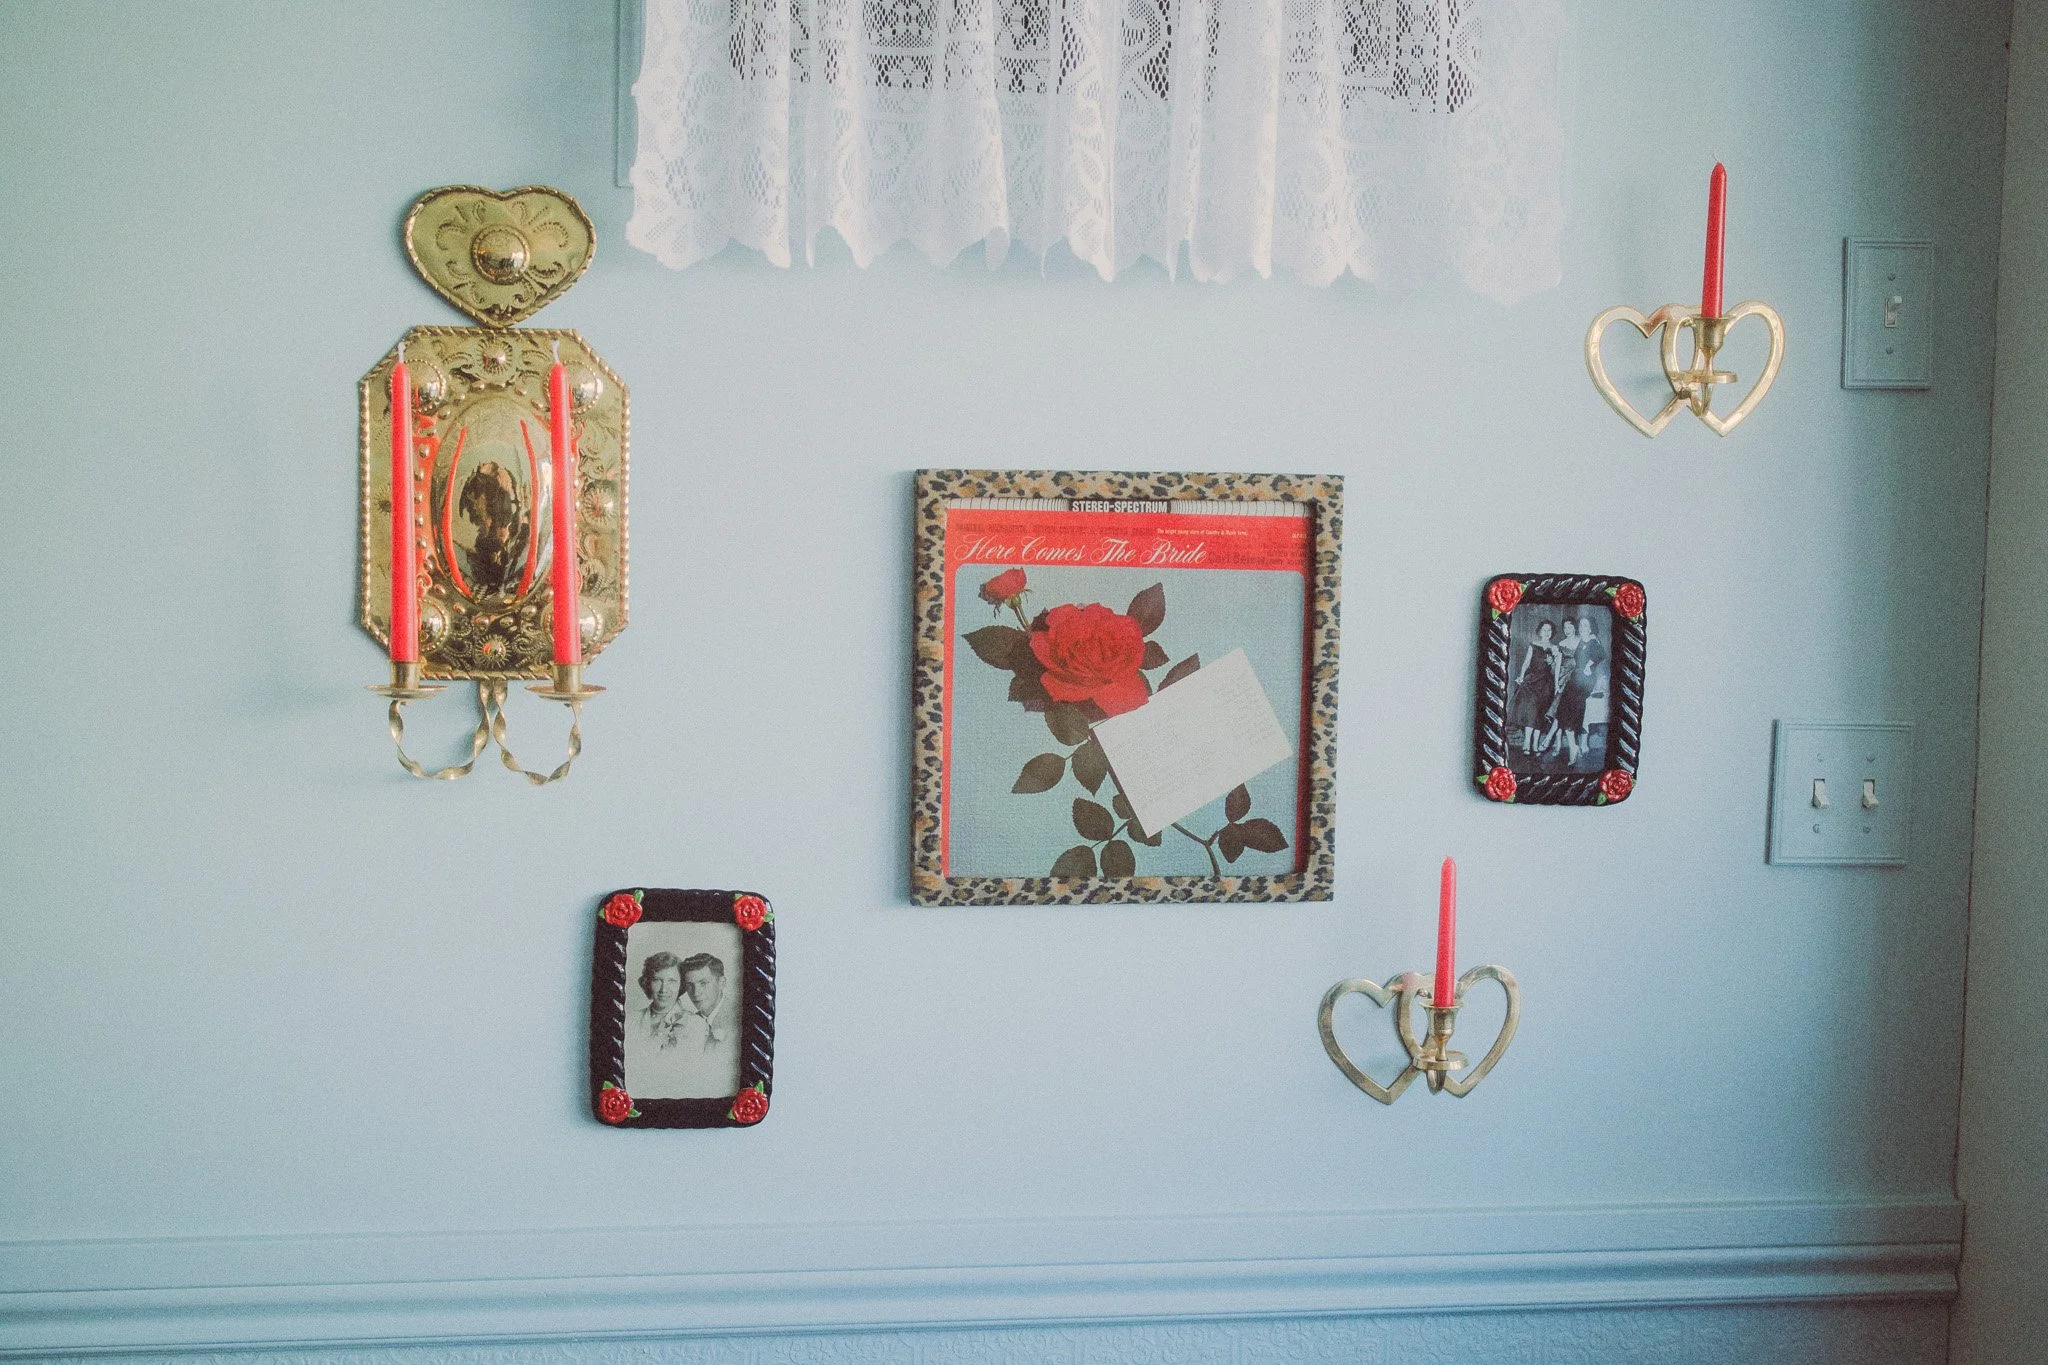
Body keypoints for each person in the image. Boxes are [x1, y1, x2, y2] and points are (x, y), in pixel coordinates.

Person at [623, 952, 696, 1099]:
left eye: (672, 981)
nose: (664, 989)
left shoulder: (696, 1024)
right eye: (657, 980)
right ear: (648, 983)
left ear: (681, 984)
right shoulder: (629, 1020)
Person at [671, 953, 741, 1098]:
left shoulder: (739, 1018)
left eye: (704, 983)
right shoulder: (689, 1023)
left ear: (721, 983)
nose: (696, 993)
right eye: (690, 985)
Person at [1510, 619, 1560, 757]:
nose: (1547, 633)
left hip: (1546, 683)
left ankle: (1535, 745)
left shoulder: (1555, 648)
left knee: (1540, 713)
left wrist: (1554, 662)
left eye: (1549, 630)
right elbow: (1526, 663)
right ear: (1539, 631)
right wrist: (1521, 676)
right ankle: (1527, 743)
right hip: (1532, 680)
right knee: (1531, 711)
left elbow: (1556, 670)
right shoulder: (1533, 645)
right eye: (1544, 630)